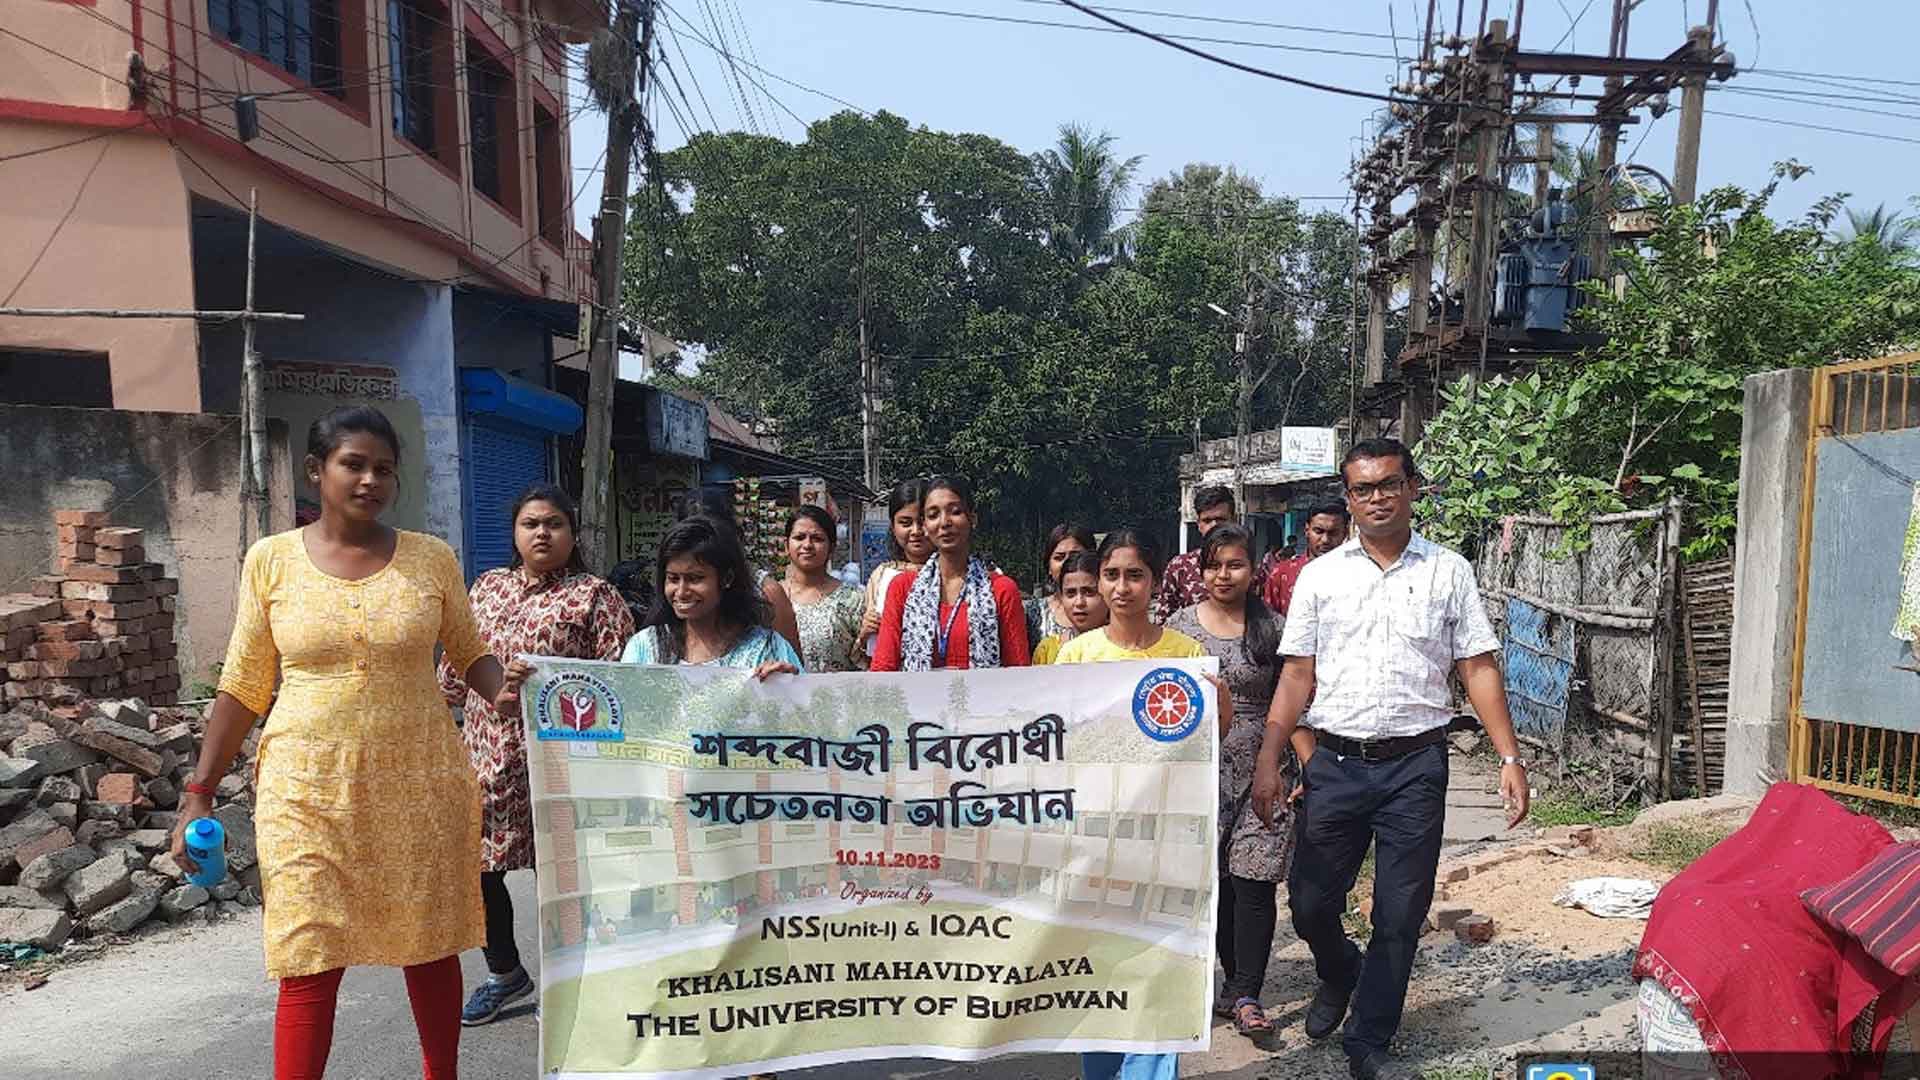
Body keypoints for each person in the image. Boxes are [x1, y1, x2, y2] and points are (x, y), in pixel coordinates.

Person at [170, 405, 518, 1080]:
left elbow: (471, 653)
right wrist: (199, 791)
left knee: (428, 942)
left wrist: (503, 692)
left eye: (383, 468)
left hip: (420, 783)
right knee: (309, 954)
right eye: (353, 464)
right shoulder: (271, 561)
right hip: (306, 790)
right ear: (315, 470)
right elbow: (243, 685)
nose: (370, 480)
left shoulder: (431, 558)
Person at [1251, 438, 1530, 1080]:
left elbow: (1477, 666)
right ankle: (1340, 970)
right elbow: (1296, 674)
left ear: (1412, 488)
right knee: (1310, 903)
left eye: (1389, 485)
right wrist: (1271, 756)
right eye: (1363, 489)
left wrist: (1509, 756)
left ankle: (1368, 1040)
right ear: (1348, 499)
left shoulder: (1448, 571)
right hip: (1335, 764)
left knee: (1400, 914)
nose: (1377, 498)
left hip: (1416, 767)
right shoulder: (1322, 576)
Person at [439, 484, 634, 1027]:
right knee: (480, 872)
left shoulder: (595, 597)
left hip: (562, 768)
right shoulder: (486, 589)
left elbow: (620, 684)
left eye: (554, 524)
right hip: (487, 761)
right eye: (530, 524)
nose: (542, 533)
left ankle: (570, 982)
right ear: (515, 533)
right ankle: (504, 973)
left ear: (572, 534)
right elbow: (454, 674)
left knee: (562, 879)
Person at [1055, 527, 1221, 1080]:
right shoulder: (1076, 655)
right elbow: (1055, 740)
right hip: (1094, 837)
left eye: (1134, 575)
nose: (1122, 588)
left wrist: (1218, 700)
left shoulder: (1186, 654)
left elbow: (1211, 736)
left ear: (1154, 581)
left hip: (1166, 840)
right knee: (1100, 964)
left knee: (1157, 964)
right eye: (1111, 575)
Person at [1165, 524, 1292, 1043]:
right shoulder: (1177, 629)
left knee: (1254, 880)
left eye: (1235, 564)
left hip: (1263, 768)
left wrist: (1295, 765)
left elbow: (1295, 698)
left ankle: (1245, 993)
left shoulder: (1275, 629)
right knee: (1216, 883)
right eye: (1214, 565)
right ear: (1201, 570)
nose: (1224, 575)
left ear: (1253, 570)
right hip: (1199, 770)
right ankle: (1232, 979)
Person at [870, 475, 1030, 671]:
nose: (944, 522)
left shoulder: (1001, 590)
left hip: (985, 692)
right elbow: (883, 668)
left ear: (972, 519)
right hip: (917, 692)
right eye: (933, 515)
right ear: (925, 525)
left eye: (955, 512)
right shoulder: (902, 588)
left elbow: (1018, 671)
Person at [619, 516, 803, 674]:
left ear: (727, 578)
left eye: (695, 579)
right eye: (673, 579)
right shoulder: (645, 648)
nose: (681, 592)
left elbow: (807, 701)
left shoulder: (767, 649)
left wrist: (790, 688)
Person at [675, 489, 802, 656]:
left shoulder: (766, 593)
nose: (703, 548)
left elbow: (791, 663)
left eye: (711, 537)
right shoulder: (676, 592)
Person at [783, 504, 865, 672]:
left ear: (832, 548)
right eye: (799, 537)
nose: (807, 545)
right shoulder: (772, 598)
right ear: (786, 546)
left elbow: (866, 659)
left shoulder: (853, 600)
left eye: (817, 538)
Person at [859, 478, 932, 660]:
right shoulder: (882, 576)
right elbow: (866, 654)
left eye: (923, 521)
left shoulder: (955, 573)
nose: (916, 531)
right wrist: (865, 635)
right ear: (893, 526)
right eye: (906, 523)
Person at [1153, 485, 1240, 623]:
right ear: (1199, 524)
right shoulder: (1180, 567)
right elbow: (1162, 621)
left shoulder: (1247, 568)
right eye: (1207, 520)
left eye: (1221, 519)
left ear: (1234, 521)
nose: (1214, 526)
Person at [1260, 502, 1352, 616]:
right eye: (1318, 531)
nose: (1325, 540)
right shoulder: (1282, 573)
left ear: (1345, 533)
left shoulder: (1357, 575)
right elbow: (1268, 621)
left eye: (1333, 533)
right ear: (1307, 530)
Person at [1025, 523, 1096, 648]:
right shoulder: (1032, 613)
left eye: (1075, 556)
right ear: (1049, 567)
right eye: (1059, 557)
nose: (1067, 563)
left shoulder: (1108, 612)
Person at [1032, 550, 1108, 665]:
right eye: (1070, 593)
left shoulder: (1126, 646)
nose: (1079, 602)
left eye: (1089, 592)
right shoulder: (1047, 651)